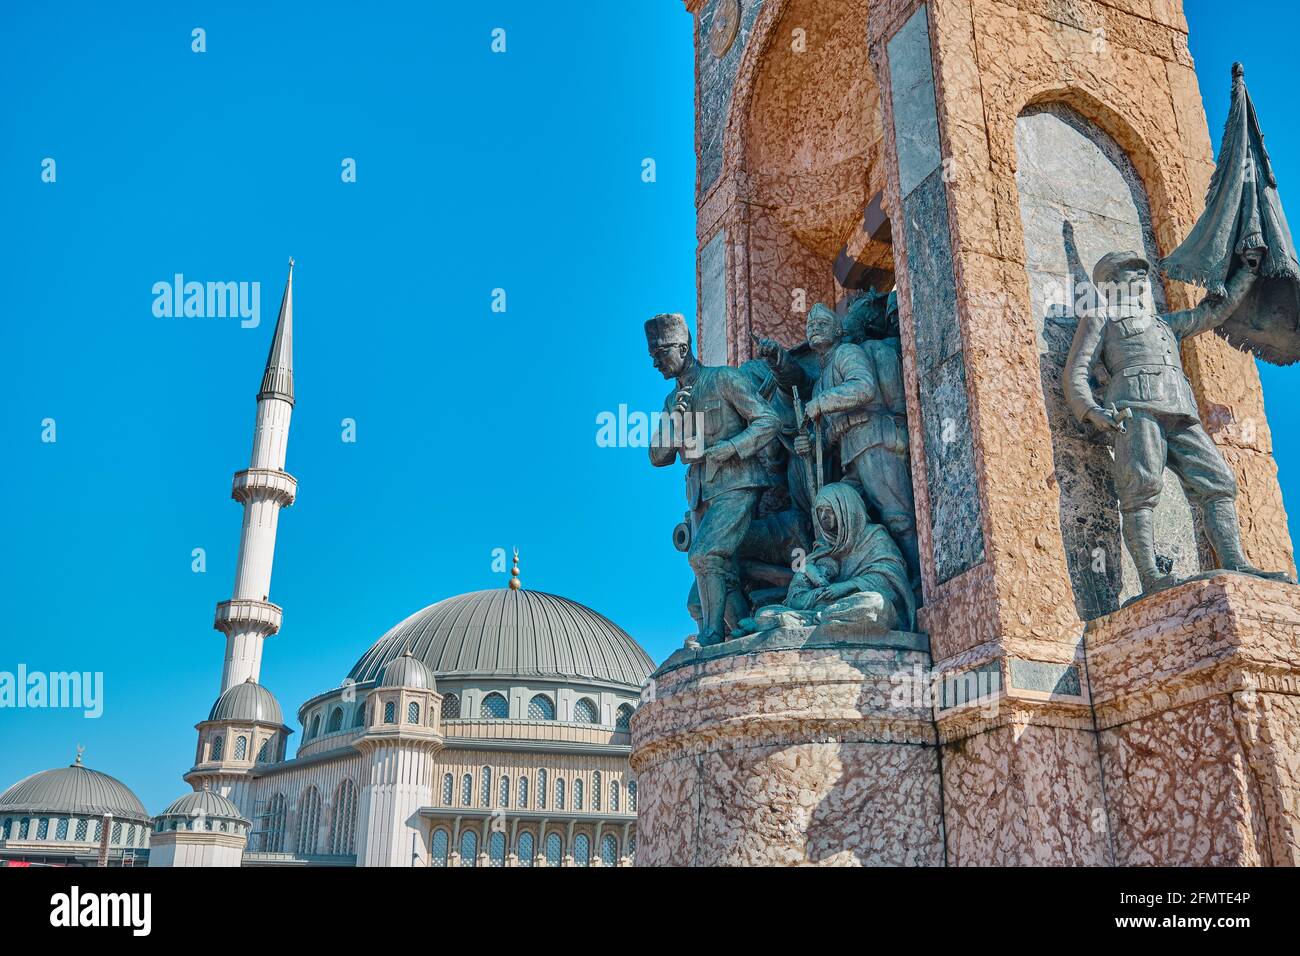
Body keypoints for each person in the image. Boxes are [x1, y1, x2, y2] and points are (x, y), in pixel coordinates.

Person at [1064, 249, 1292, 594]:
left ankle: (1234, 561)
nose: (1141, 278)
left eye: (1142, 273)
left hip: (1181, 412)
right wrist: (1091, 411)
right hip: (1135, 408)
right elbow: (1077, 371)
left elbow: (1213, 311)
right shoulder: (1101, 318)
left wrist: (1247, 271)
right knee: (1140, 489)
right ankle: (1152, 577)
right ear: (1110, 283)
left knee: (1219, 481)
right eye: (1131, 273)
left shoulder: (1163, 324)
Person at [647, 313, 780, 646]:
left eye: (660, 354)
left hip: (736, 483)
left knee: (704, 555)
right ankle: (740, 634)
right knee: (703, 592)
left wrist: (731, 448)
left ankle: (711, 636)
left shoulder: (723, 379)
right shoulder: (671, 400)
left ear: (683, 347)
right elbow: (657, 458)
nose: (656, 364)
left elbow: (768, 420)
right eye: (652, 357)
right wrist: (672, 423)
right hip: (700, 495)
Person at [739, 483, 915, 635]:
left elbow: (891, 580)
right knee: (765, 611)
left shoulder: (875, 537)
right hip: (829, 608)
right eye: (819, 511)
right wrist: (815, 587)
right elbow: (794, 598)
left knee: (875, 605)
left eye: (829, 511)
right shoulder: (821, 549)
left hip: (858, 604)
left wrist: (846, 586)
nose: (823, 517)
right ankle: (807, 620)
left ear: (846, 511)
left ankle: (801, 621)